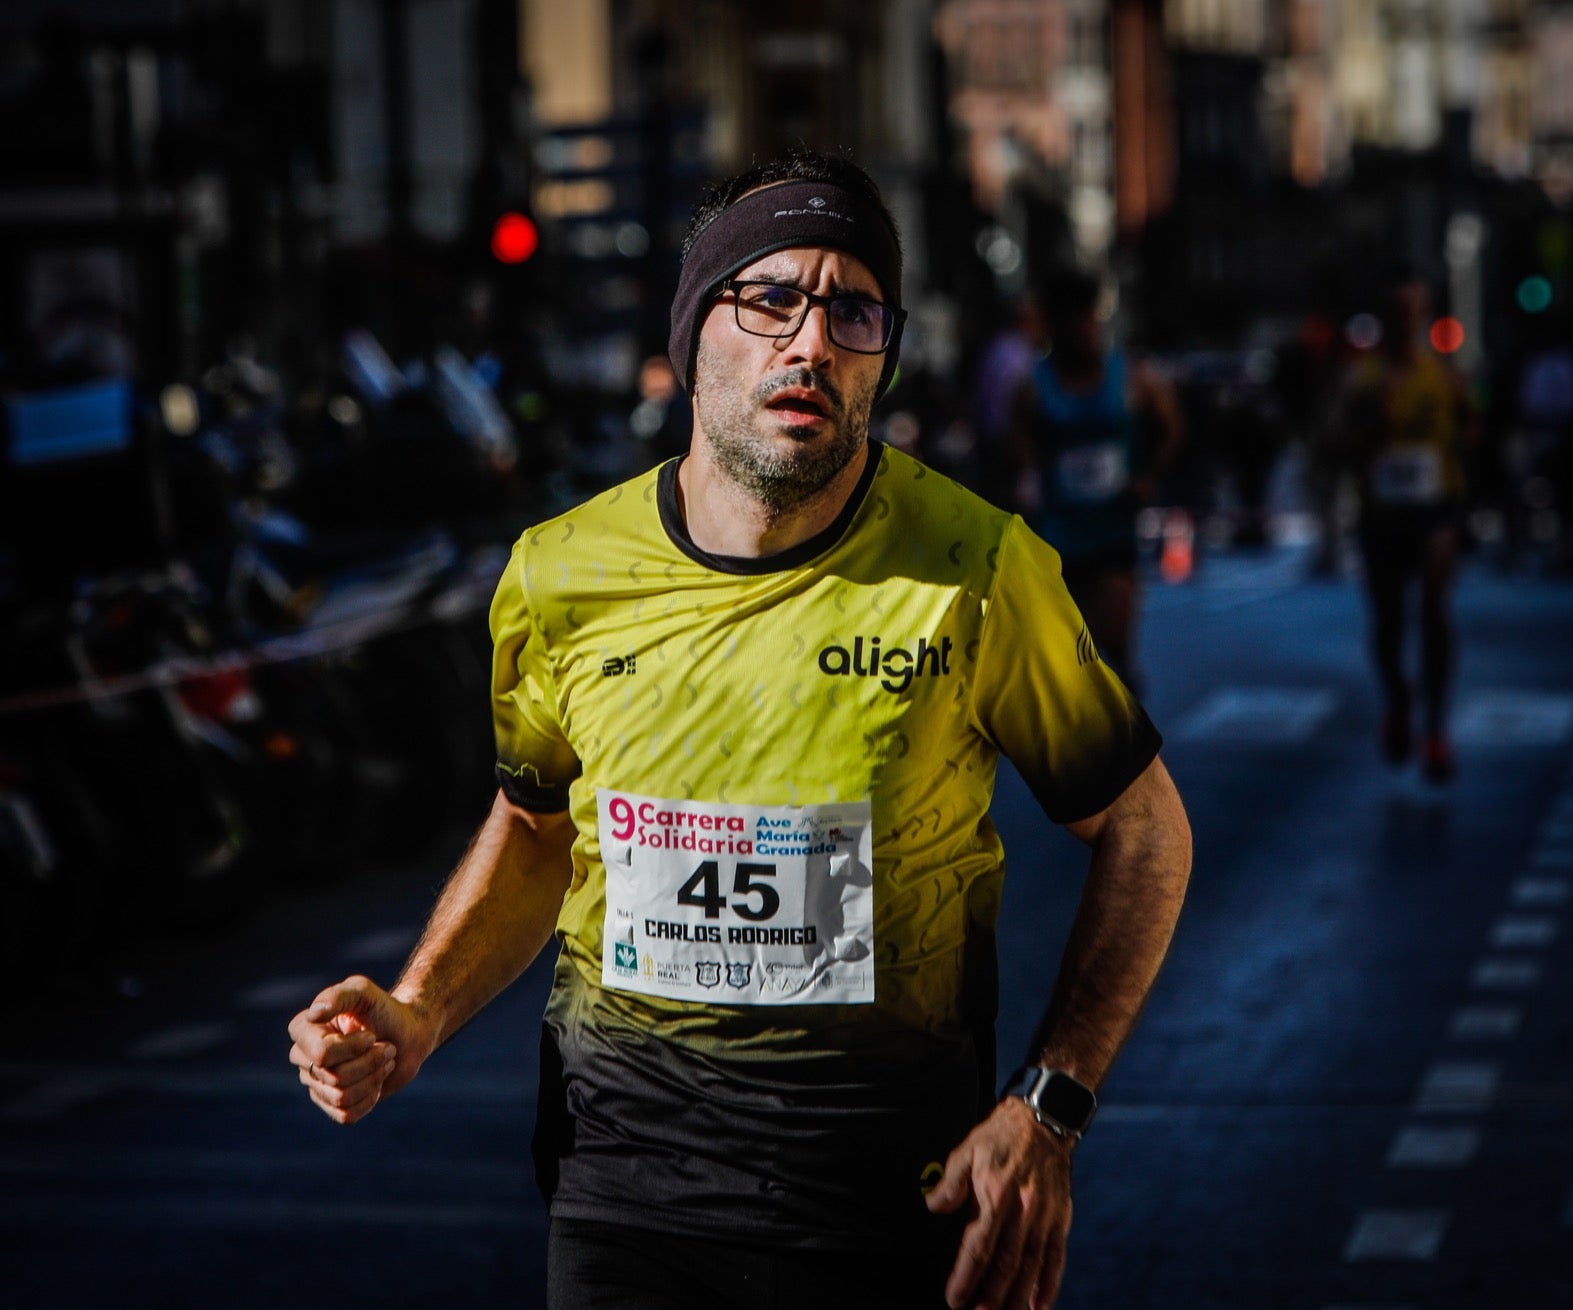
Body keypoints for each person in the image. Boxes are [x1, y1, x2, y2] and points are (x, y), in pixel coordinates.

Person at [288, 150, 1192, 1310]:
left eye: (852, 311)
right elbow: (531, 825)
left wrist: (1050, 1107)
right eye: (769, 298)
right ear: (691, 335)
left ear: (881, 358)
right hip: (624, 1187)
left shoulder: (972, 569)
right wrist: (419, 1008)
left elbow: (1146, 827)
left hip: (891, 1193)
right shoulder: (561, 575)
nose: (809, 343)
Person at [1008, 267, 1183, 689]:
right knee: (1069, 659)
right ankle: (1085, 732)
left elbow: (1171, 428)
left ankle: (1124, 714)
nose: (1082, 333)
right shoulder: (1034, 388)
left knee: (1113, 641)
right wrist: (1025, 483)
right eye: (1070, 323)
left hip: (1111, 531)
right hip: (1057, 537)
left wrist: (1147, 477)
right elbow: (1017, 449)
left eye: (1087, 321)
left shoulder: (1132, 378)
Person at [1338, 269, 1473, 782]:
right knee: (1389, 623)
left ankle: (1436, 728)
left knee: (1436, 605)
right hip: (1383, 514)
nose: (1405, 319)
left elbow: (1469, 428)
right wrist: (1372, 421)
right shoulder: (1364, 378)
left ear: (1423, 314)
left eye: (1413, 309)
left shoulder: (1443, 373)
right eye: (1397, 310)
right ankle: (1399, 696)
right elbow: (1340, 440)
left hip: (1434, 508)